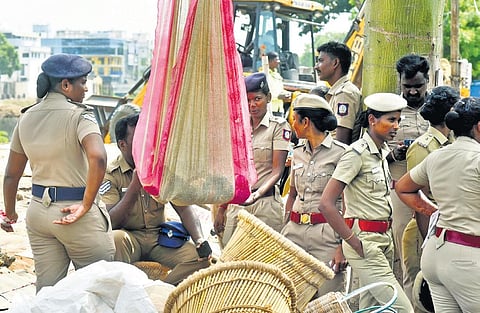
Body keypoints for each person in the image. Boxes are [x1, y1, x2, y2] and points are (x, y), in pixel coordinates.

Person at [2, 53, 116, 292]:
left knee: (48, 294)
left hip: (38, 215)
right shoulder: (80, 115)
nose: (85, 89)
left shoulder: (26, 117)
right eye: (83, 82)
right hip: (75, 213)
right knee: (101, 290)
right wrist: (86, 205)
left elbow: (12, 175)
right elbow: (98, 157)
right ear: (66, 85)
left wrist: (11, 213)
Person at [318, 92, 414, 312]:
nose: (396, 126)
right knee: (403, 309)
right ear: (372, 120)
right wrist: (352, 241)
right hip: (365, 242)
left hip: (383, 240)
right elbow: (326, 203)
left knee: (372, 309)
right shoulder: (356, 154)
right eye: (391, 120)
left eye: (398, 120)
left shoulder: (381, 153)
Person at [100, 113, 211, 286]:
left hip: (159, 239)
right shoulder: (110, 173)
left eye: (148, 139)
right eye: (138, 141)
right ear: (122, 145)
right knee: (115, 238)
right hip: (130, 238)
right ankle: (124, 290)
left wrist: (199, 240)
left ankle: (162, 289)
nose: (146, 146)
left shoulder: (161, 170)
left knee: (201, 259)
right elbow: (111, 221)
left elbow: (184, 208)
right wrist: (135, 186)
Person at [395, 97, 480, 312]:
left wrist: (434, 212)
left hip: (436, 253)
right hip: (468, 257)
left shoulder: (438, 156)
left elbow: (403, 187)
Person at [281, 93, 348, 296]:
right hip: (294, 232)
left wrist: (342, 246)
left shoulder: (342, 153)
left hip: (327, 237)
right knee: (291, 298)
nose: (292, 124)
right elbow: (292, 194)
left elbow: (348, 204)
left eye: (295, 119)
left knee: (328, 300)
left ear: (306, 121)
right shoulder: (298, 151)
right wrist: (285, 227)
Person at [214, 72, 292, 247]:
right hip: (238, 204)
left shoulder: (278, 127)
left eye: (257, 99)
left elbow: (277, 171)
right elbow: (233, 173)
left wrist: (256, 195)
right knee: (230, 261)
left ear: (268, 98)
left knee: (264, 262)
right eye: (247, 101)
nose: (252, 105)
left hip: (265, 205)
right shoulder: (238, 128)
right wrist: (222, 208)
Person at [401, 85, 459, 310]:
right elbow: (419, 201)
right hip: (423, 232)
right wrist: (429, 244)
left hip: (443, 231)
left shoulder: (451, 144)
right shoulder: (423, 147)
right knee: (421, 299)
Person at [389, 54, 430, 289]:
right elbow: (372, 153)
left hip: (432, 193)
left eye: (418, 86)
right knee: (404, 251)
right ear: (400, 82)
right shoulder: (389, 109)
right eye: (407, 87)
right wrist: (395, 155)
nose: (413, 92)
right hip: (399, 193)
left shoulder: (439, 109)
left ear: (428, 81)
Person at [315, 41, 362, 144]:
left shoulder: (345, 93)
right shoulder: (338, 91)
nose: (316, 67)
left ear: (335, 63)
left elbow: (341, 141)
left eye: (320, 61)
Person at [263, 51, 291, 117]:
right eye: (276, 59)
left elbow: (280, 90)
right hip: (269, 109)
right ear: (269, 61)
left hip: (279, 109)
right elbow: (264, 93)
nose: (278, 62)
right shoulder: (264, 75)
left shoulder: (277, 75)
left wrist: (288, 94)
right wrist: (277, 96)